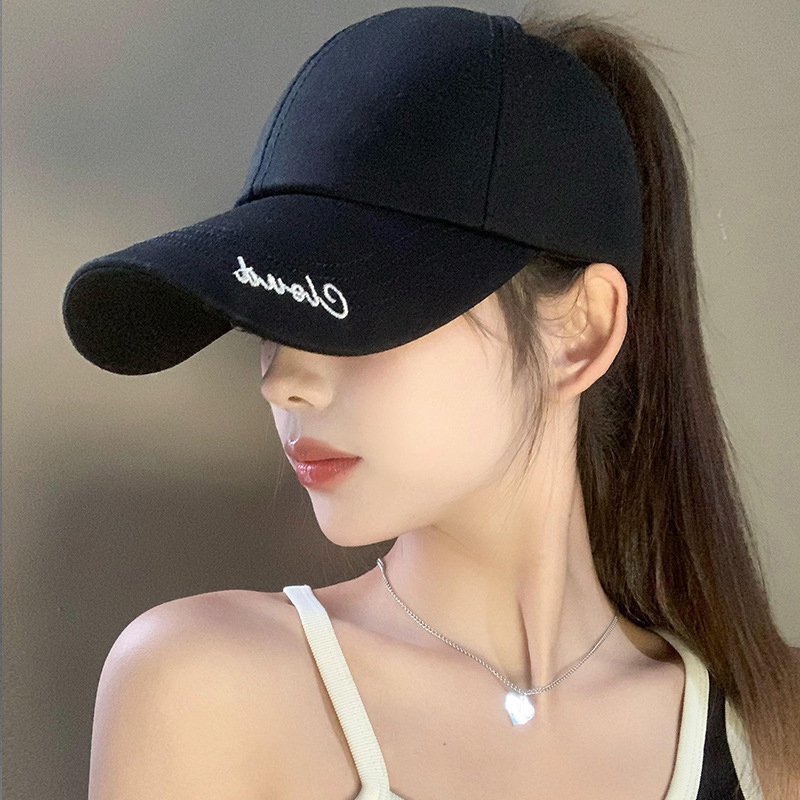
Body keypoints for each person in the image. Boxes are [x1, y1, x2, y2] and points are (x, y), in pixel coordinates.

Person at [61, 6, 799, 799]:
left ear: (579, 331)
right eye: (273, 318)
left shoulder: (773, 732)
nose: (282, 382)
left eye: (350, 309)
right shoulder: (204, 688)